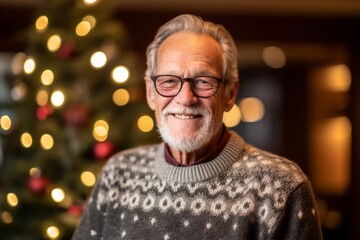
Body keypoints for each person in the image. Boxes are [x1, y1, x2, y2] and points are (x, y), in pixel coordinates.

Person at [73, 14, 322, 239]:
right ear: (150, 92)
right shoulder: (118, 174)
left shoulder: (281, 187)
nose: (185, 98)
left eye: (203, 81)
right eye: (169, 81)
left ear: (230, 93)